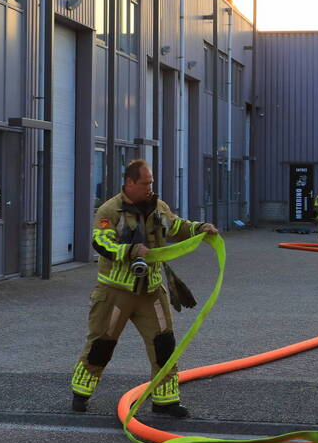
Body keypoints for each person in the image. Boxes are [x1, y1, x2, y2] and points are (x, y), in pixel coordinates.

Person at [70, 159, 217, 417]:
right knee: (101, 346)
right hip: (115, 293)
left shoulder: (158, 207)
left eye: (151, 182)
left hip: (151, 291)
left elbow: (177, 226)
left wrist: (200, 228)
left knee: (164, 344)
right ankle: (80, 393)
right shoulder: (109, 211)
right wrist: (130, 250)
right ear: (129, 183)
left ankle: (165, 401)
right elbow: (102, 243)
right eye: (145, 183)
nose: (150, 187)